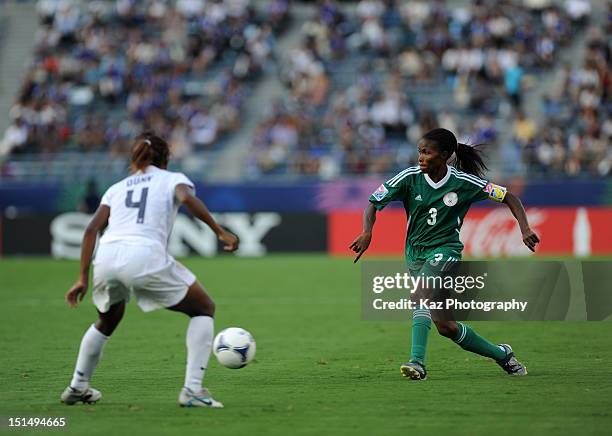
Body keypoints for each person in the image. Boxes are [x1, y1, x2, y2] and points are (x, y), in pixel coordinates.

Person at [61, 132, 239, 407]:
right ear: (165, 158)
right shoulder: (172, 179)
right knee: (204, 308)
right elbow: (187, 198)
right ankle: (193, 390)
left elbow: (91, 228)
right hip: (143, 254)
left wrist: (82, 277)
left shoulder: (116, 188)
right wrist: (218, 231)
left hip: (106, 256)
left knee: (107, 320)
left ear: (134, 159)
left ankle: (77, 386)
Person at [350, 128, 540, 380]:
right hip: (415, 254)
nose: (420, 157)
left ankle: (417, 362)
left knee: (419, 294)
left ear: (445, 155)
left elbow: (509, 197)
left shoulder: (464, 182)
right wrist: (367, 232)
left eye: (426, 152)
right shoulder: (409, 177)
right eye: (419, 151)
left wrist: (524, 228)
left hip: (446, 250)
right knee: (446, 327)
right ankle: (502, 354)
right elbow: (374, 202)